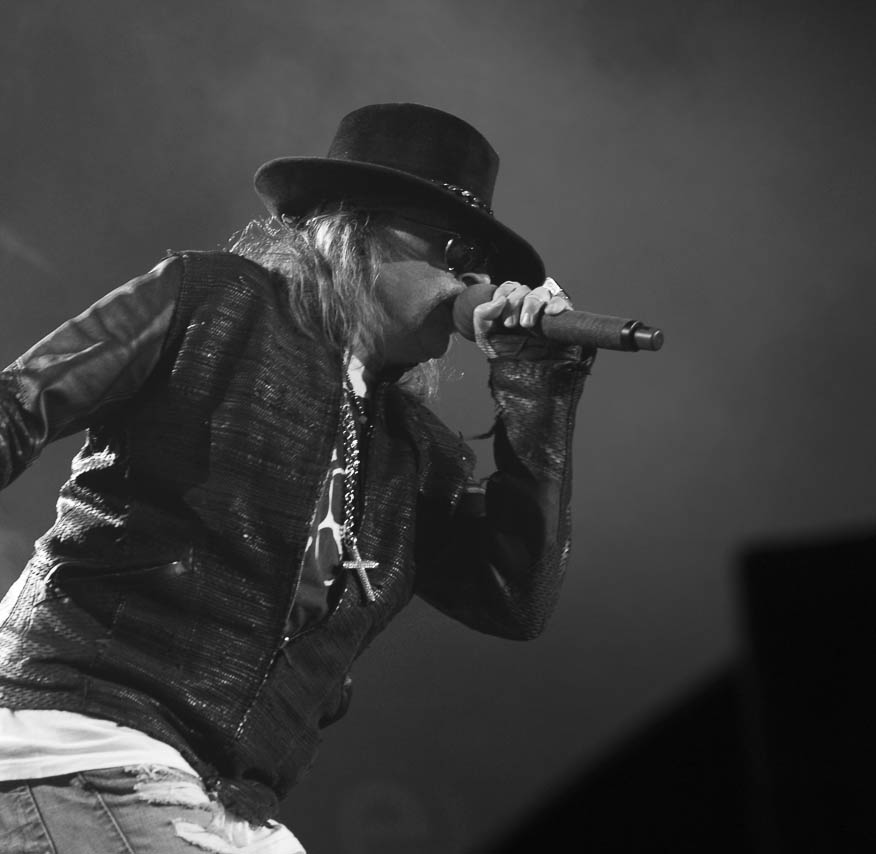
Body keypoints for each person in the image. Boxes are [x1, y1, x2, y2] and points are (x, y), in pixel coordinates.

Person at [0, 102, 593, 853]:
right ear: (352, 229)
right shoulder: (211, 301)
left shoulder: (416, 456)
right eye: (454, 249)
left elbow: (514, 597)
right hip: (78, 738)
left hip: (222, 798)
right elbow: (18, 406)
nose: (475, 280)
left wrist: (539, 392)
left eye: (483, 264)